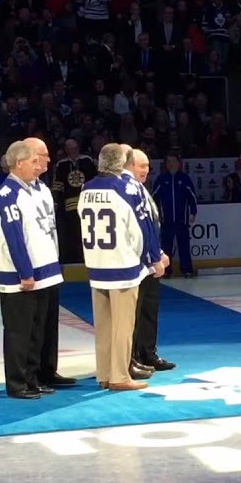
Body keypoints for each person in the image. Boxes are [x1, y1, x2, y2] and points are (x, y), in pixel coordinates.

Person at [79, 143, 165, 391]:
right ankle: (119, 375)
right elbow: (140, 229)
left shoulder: (86, 188)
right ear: (122, 163)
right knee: (123, 325)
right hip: (122, 265)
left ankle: (104, 373)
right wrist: (151, 258)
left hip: (96, 263)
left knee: (103, 326)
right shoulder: (128, 188)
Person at [0, 140, 65, 399]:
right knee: (19, 332)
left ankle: (33, 377)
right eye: (33, 161)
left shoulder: (36, 189)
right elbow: (14, 237)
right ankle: (18, 382)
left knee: (36, 330)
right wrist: (25, 272)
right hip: (22, 275)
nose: (38, 165)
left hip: (45, 270)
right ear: (19, 163)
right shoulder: (7, 194)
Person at [25, 136, 77, 389]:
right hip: (32, 268)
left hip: (50, 264)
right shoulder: (14, 191)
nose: (48, 158)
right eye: (43, 154)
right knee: (33, 326)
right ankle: (32, 374)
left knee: (49, 322)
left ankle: (48, 370)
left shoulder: (43, 189)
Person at [128, 147, 176, 372]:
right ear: (129, 166)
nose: (146, 170)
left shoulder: (143, 190)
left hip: (151, 261)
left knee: (149, 309)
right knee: (136, 312)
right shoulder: (128, 191)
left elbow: (151, 226)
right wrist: (153, 256)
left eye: (148, 165)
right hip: (138, 263)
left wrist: (158, 253)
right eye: (141, 165)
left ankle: (148, 352)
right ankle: (134, 355)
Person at [51, 138, 99, 263]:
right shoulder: (61, 164)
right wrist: (56, 201)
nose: (73, 150)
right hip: (69, 207)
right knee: (72, 234)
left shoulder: (87, 161)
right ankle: (75, 259)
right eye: (69, 148)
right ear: (66, 150)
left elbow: (94, 181)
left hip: (89, 205)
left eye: (74, 148)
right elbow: (57, 185)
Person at [151, 154, 198, 277]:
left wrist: (193, 212)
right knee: (166, 247)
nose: (171, 164)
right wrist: (155, 214)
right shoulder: (161, 179)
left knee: (184, 246)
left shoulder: (185, 179)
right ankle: (166, 271)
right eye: (169, 161)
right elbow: (154, 198)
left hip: (182, 220)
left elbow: (192, 197)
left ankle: (187, 270)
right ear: (166, 164)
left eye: (173, 161)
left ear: (178, 163)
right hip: (166, 220)